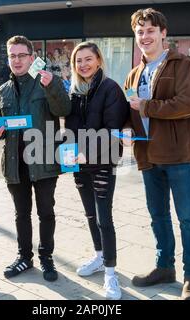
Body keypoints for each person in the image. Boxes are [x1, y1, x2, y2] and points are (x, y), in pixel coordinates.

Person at [125, 8, 190, 300]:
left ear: (163, 33)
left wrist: (146, 106)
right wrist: (121, 126)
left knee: (187, 218)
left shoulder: (181, 64)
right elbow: (130, 111)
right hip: (147, 155)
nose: (145, 37)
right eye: (140, 32)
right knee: (158, 216)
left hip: (178, 155)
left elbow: (187, 104)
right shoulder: (134, 73)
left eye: (150, 31)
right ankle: (164, 267)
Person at [0, 35, 71, 282]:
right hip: (15, 164)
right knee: (20, 213)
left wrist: (53, 86)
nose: (16, 60)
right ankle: (24, 257)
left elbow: (64, 110)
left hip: (44, 160)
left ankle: (46, 258)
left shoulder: (47, 83)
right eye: (12, 55)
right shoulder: (3, 90)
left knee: (46, 212)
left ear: (32, 57)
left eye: (21, 55)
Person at [65, 41, 129, 299]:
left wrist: (85, 152)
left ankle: (111, 274)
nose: (83, 64)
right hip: (80, 164)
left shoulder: (110, 88)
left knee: (104, 217)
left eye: (88, 59)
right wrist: (68, 152)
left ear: (99, 60)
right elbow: (70, 128)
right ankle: (100, 257)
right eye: (78, 61)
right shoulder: (75, 90)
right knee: (90, 215)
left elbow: (112, 131)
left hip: (102, 162)